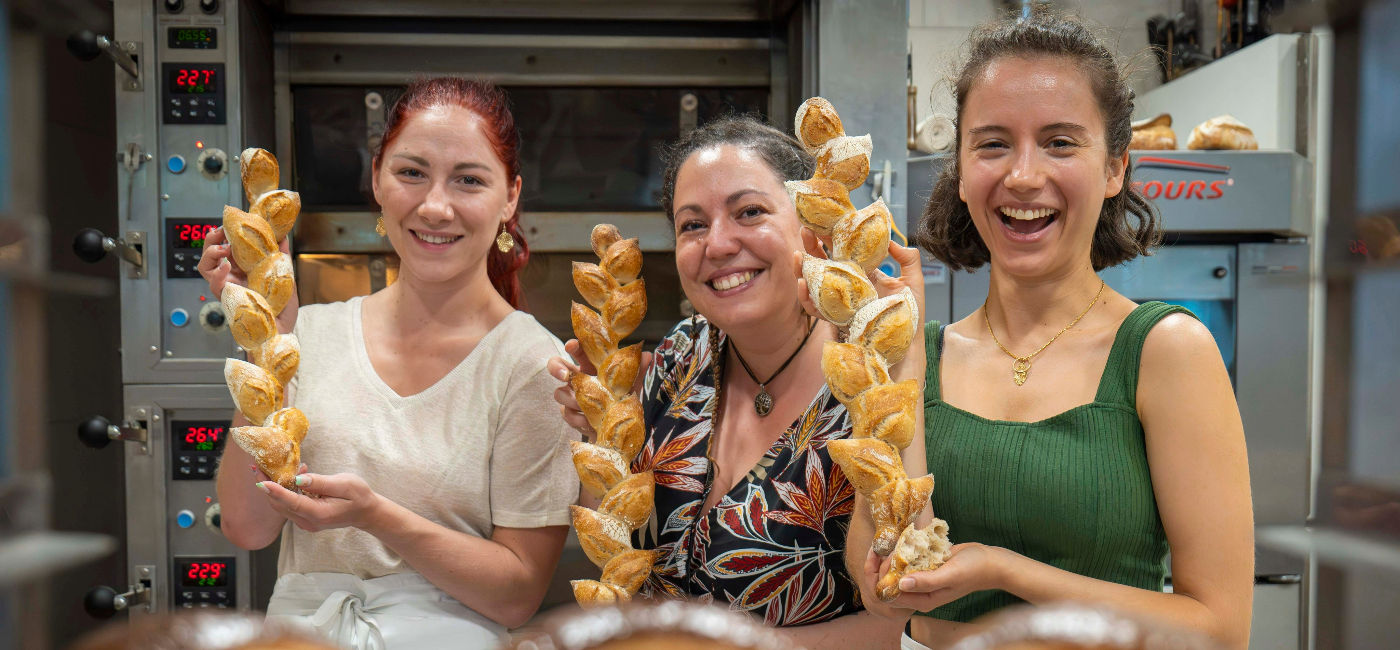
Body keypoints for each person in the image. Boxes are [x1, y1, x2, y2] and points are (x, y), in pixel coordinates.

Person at [846, 12, 1255, 650]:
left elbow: (1220, 631)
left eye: (1060, 143)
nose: (1023, 176)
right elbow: (887, 584)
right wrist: (897, 354)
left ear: (1116, 167)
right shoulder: (923, 356)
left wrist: (1006, 573)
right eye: (992, 143)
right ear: (959, 166)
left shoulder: (1165, 350)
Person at [197, 77, 578, 648]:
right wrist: (268, 343)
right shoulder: (310, 333)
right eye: (411, 172)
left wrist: (374, 515)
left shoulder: (533, 366)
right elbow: (247, 527)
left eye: (469, 180)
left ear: (510, 197)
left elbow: (518, 592)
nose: (435, 206)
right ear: (377, 178)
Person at [550, 116, 924, 648]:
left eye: (749, 212)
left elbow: (893, 607)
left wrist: (905, 359)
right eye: (692, 225)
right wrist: (599, 431)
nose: (718, 244)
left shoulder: (871, 378)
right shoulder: (681, 355)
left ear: (810, 226)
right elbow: (617, 557)